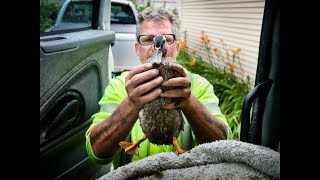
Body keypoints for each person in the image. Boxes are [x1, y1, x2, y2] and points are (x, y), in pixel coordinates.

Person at [85, 7, 231, 168]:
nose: (158, 47)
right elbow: (97, 152)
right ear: (137, 48)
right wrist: (131, 104)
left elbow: (223, 144)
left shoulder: (198, 85)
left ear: (177, 47)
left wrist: (190, 102)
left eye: (167, 39)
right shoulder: (120, 85)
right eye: (148, 40)